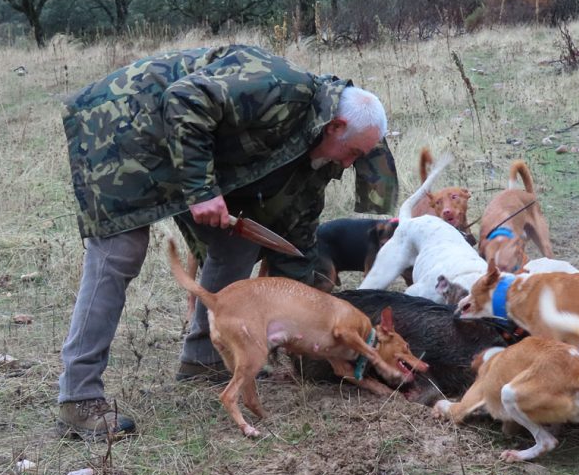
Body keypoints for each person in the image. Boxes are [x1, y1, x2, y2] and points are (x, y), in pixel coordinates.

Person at [56, 44, 398, 440]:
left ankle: (204, 357)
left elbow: (297, 237)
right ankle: (77, 398)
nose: (351, 163)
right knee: (119, 254)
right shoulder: (278, 85)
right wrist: (200, 190)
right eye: (353, 152)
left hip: (188, 148)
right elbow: (184, 100)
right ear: (336, 126)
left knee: (236, 245)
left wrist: (311, 322)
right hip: (123, 129)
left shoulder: (319, 151)